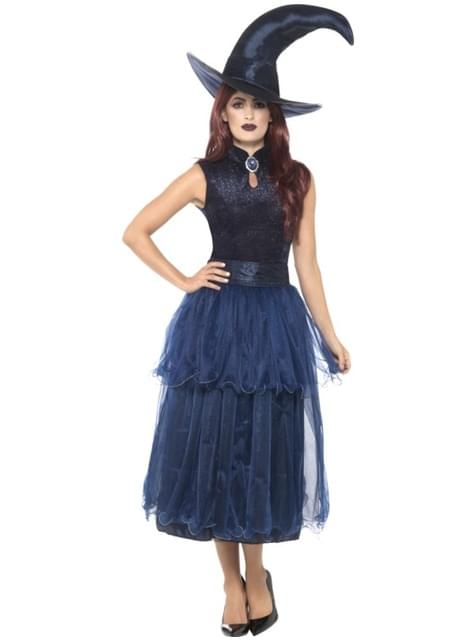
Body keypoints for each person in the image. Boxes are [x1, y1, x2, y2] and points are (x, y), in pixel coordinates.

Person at [123, 4, 353, 637]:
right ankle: (232, 582)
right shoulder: (204, 176)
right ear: (222, 113)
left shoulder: (298, 180)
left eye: (259, 105)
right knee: (217, 449)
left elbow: (308, 264)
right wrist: (185, 278)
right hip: (218, 326)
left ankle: (258, 573)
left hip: (276, 324)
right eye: (237, 104)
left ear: (274, 117)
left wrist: (329, 334)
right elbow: (135, 231)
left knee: (262, 451)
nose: (248, 114)